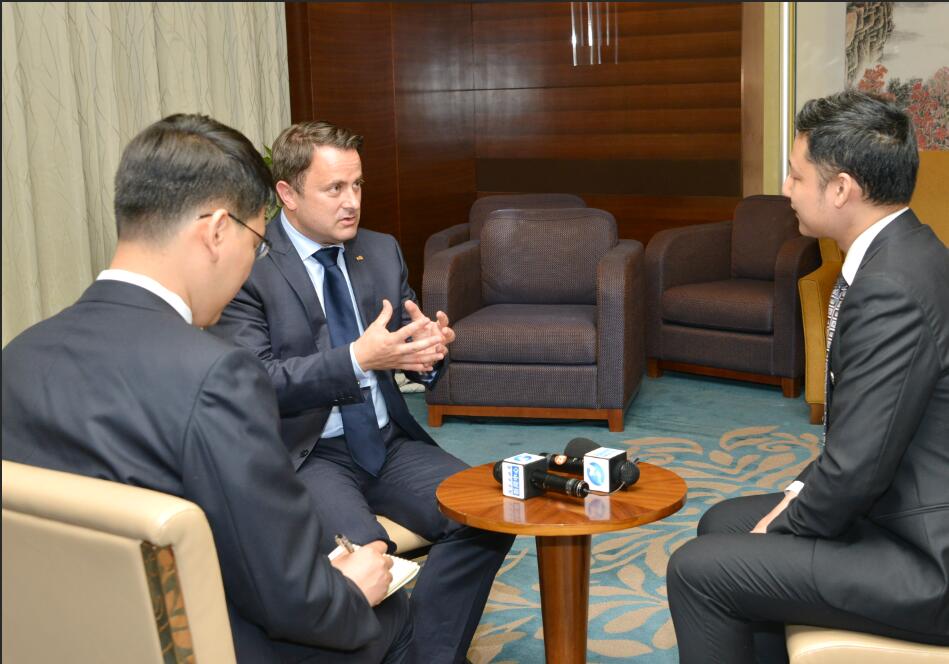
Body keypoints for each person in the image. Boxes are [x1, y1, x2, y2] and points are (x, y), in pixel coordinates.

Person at [2, 114, 412, 663]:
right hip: (191, 641)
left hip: (52, 636)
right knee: (391, 614)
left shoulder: (20, 355)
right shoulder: (217, 376)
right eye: (257, 243)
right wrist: (350, 588)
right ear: (218, 230)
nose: (252, 265)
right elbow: (294, 598)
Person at [209, 120, 515, 664]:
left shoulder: (379, 250)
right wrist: (357, 359)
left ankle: (426, 656)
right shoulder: (250, 265)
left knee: (489, 513)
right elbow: (258, 383)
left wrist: (427, 352)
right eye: (334, 188)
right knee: (368, 562)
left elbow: (402, 345)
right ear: (288, 194)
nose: (352, 202)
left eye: (357, 185)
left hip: (386, 441)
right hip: (306, 454)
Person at [666, 90, 949, 663]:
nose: (786, 189)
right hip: (898, 505)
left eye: (796, 176)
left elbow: (857, 468)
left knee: (696, 571)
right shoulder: (909, 250)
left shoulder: (891, 289)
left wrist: (780, 530)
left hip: (925, 559)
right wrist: (795, 498)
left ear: (841, 189)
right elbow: (864, 440)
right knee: (721, 522)